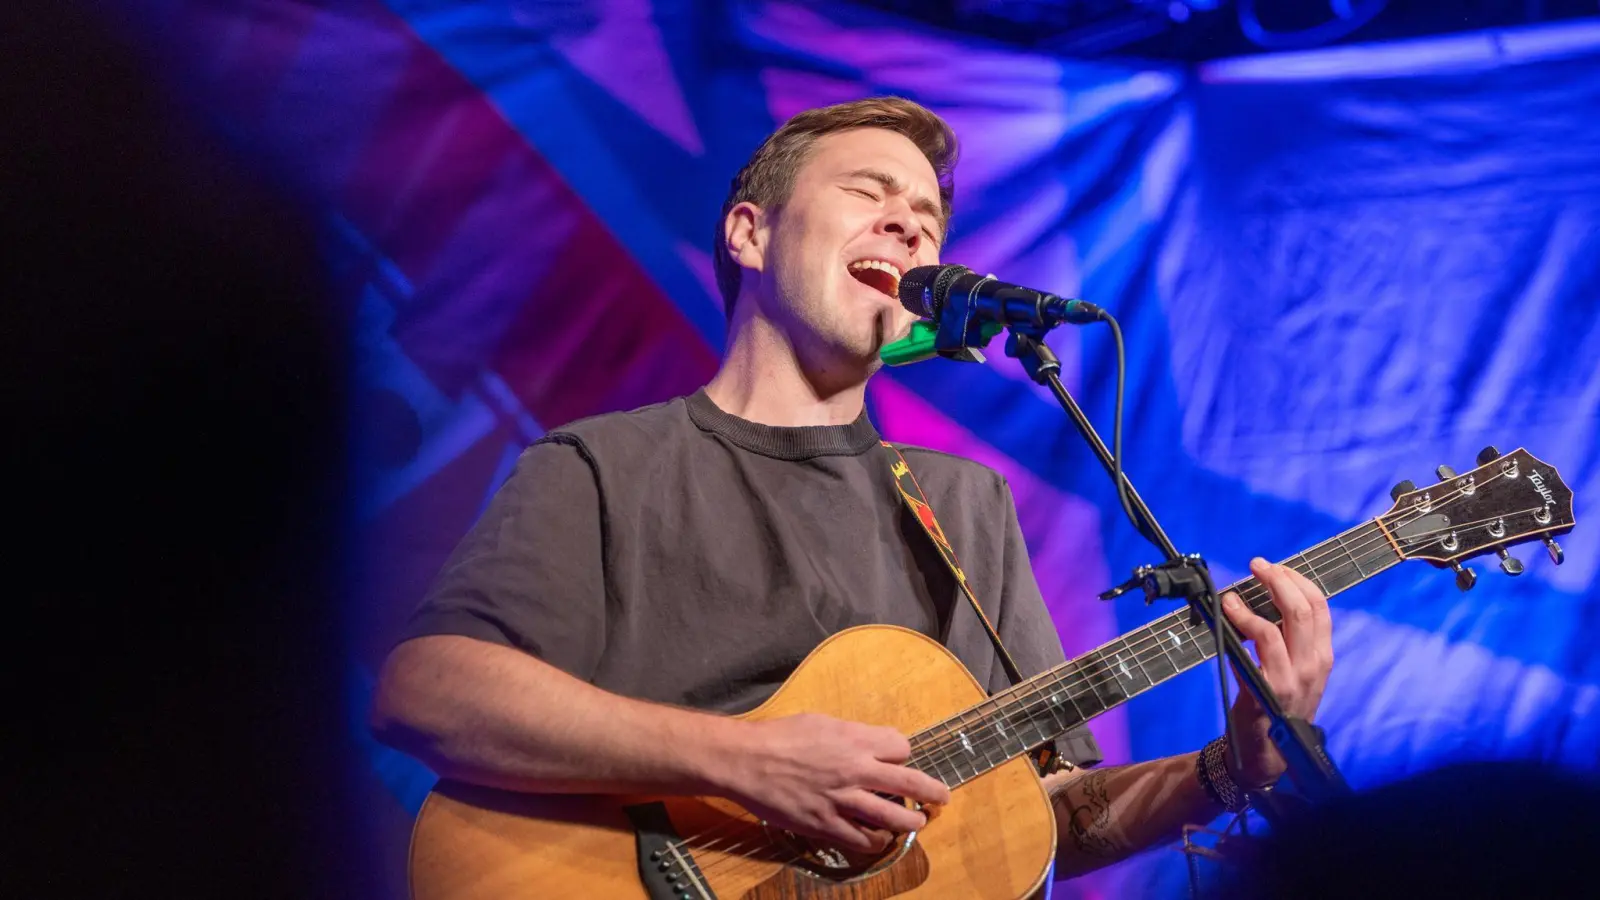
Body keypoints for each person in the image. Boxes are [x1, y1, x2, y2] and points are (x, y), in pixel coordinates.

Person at [370, 96, 1334, 882]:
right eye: (870, 192)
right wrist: (745, 762)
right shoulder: (601, 465)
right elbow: (427, 692)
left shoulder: (965, 508)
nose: (909, 224)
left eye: (927, 220)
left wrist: (1232, 770)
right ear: (750, 234)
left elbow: (1046, 819)